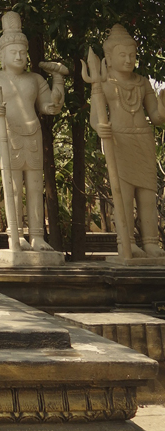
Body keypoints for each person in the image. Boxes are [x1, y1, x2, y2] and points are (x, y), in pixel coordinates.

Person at [0, 13, 67, 251]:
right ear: (2, 56)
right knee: (14, 186)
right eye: (14, 52)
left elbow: (50, 106)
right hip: (9, 135)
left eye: (22, 52)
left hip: (33, 134)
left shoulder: (35, 79)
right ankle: (16, 235)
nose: (19, 56)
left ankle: (37, 237)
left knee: (35, 186)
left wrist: (58, 82)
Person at [93, 23, 164, 258]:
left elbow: (155, 117)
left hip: (142, 139)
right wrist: (101, 128)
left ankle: (151, 242)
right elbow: (96, 117)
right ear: (109, 58)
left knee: (147, 193)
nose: (128, 59)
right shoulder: (103, 82)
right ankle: (126, 242)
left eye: (132, 55)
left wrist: (163, 108)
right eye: (122, 55)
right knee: (123, 194)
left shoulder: (142, 82)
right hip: (118, 139)